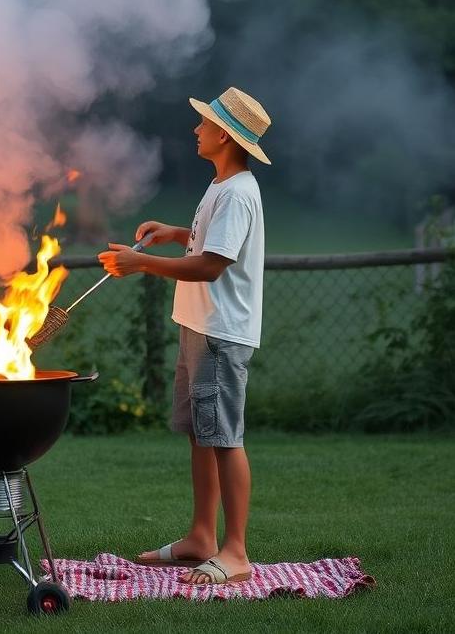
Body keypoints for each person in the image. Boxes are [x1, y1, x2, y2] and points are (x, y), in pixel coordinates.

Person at [97, 87, 271, 586]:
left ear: (223, 135)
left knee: (225, 439)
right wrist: (175, 233)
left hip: (220, 332)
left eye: (203, 124)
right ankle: (201, 537)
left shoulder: (237, 193)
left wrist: (140, 263)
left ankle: (235, 551)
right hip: (199, 327)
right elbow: (208, 242)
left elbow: (213, 266)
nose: (195, 130)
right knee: (202, 432)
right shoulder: (223, 186)